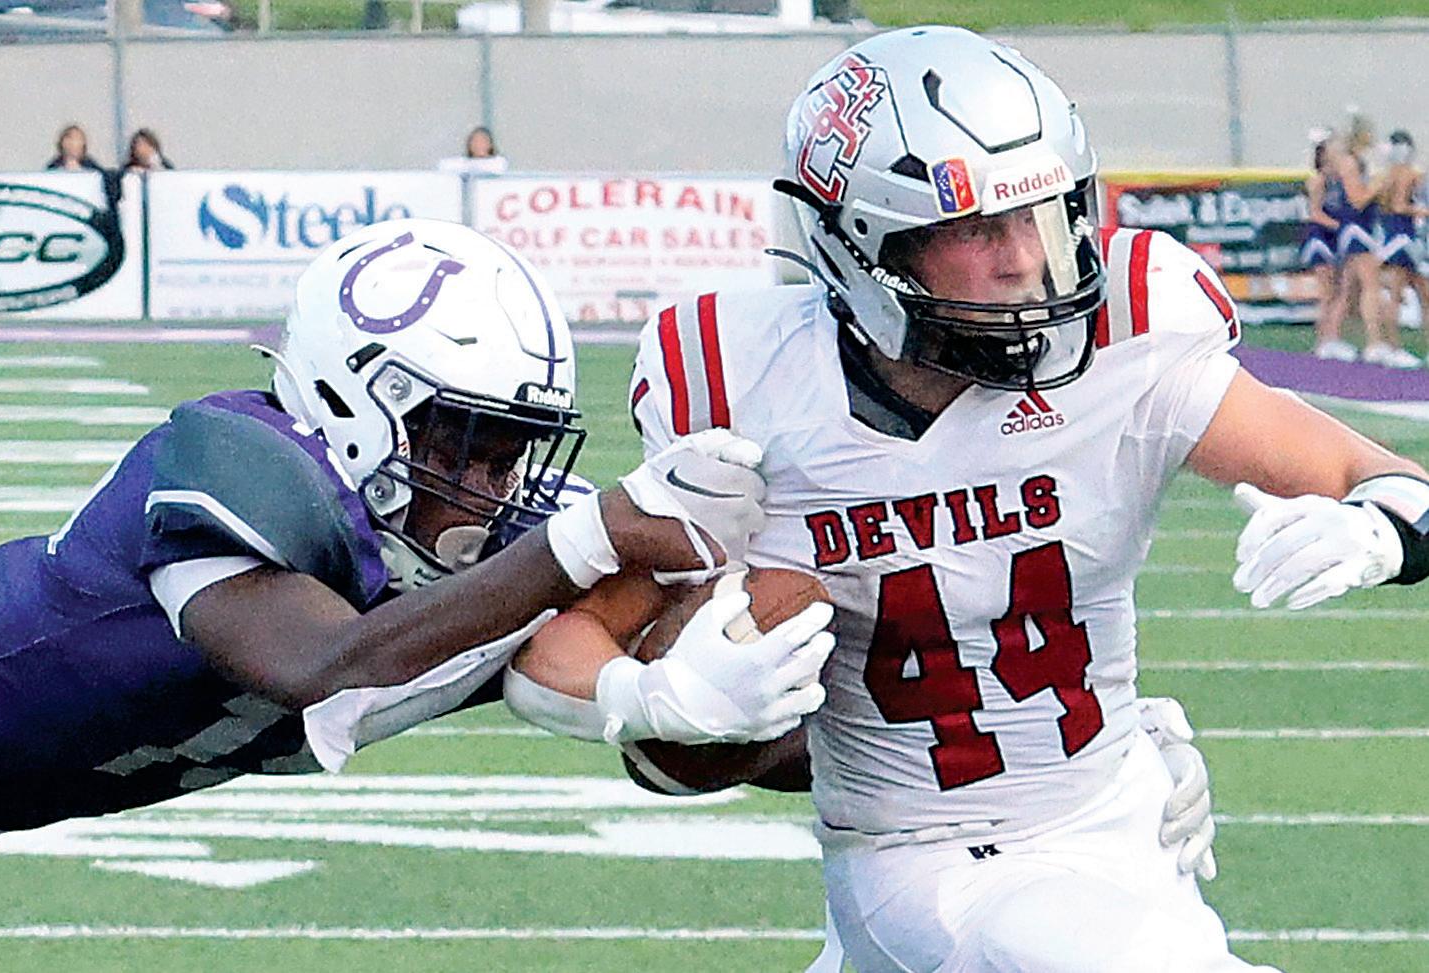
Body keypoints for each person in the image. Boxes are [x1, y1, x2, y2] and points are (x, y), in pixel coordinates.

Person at [504, 27, 1429, 972]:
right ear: (862, 245)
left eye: (1042, 212)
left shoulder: (1129, 336)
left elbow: (1389, 481)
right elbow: (553, 650)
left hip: (1121, 827)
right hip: (918, 863)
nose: (1024, 257)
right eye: (977, 227)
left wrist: (1383, 533)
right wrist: (654, 697)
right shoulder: (750, 392)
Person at [0, 219, 834, 937]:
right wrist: (590, 535)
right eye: (462, 445)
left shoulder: (500, 546)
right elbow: (322, 665)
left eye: (509, 454)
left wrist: (692, 703)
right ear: (356, 403)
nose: (490, 488)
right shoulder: (230, 464)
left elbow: (570, 660)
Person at [1330, 116, 1419, 367]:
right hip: (1356, 228)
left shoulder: (1360, 161)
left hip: (1365, 227)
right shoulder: (1349, 162)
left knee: (1348, 288)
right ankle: (1373, 343)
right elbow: (1357, 200)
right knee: (1371, 285)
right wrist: (1378, 185)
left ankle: (1332, 338)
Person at [1303, 131, 1352, 360]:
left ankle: (1332, 337)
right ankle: (1325, 340)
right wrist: (1341, 226)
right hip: (1319, 237)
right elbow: (1314, 213)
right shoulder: (1318, 180)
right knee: (1328, 292)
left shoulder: (1336, 180)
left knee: (1337, 290)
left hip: (1331, 237)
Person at [1378, 129, 1429, 345]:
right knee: (1401, 291)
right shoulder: (1406, 174)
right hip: (1402, 236)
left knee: (1421, 292)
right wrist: (1423, 211)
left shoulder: (1388, 174)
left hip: (1396, 233)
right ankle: (1392, 345)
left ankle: (1394, 344)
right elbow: (1398, 206)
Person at [437, 126, 510, 176]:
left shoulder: (498, 162)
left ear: (490, 144)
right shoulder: (464, 163)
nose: (478, 144)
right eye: (475, 141)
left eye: (482, 141)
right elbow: (443, 165)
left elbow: (492, 169)